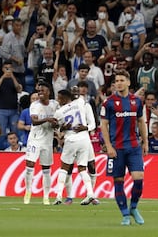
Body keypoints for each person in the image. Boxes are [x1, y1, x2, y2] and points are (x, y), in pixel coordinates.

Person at [100, 69, 148, 226]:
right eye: (116, 81)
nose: (118, 83)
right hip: (116, 148)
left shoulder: (137, 101)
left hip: (133, 146)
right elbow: (104, 126)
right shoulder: (108, 103)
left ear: (128, 82)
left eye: (121, 80)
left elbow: (141, 122)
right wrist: (108, 146)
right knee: (118, 180)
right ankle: (125, 215)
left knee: (138, 179)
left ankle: (133, 207)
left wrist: (145, 142)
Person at [52, 89, 98, 205]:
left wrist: (63, 128)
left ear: (64, 98)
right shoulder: (80, 102)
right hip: (84, 139)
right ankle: (90, 193)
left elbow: (56, 129)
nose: (58, 100)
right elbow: (81, 101)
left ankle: (58, 196)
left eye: (59, 97)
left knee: (64, 168)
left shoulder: (59, 112)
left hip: (71, 140)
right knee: (82, 168)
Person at [24, 81, 59, 205]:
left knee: (46, 168)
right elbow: (34, 121)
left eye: (42, 91)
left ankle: (46, 196)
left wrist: (56, 124)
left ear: (48, 91)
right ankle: (28, 192)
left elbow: (58, 121)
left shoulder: (55, 105)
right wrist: (48, 119)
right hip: (35, 139)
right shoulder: (35, 105)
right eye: (39, 91)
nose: (40, 93)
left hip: (47, 141)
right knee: (29, 164)